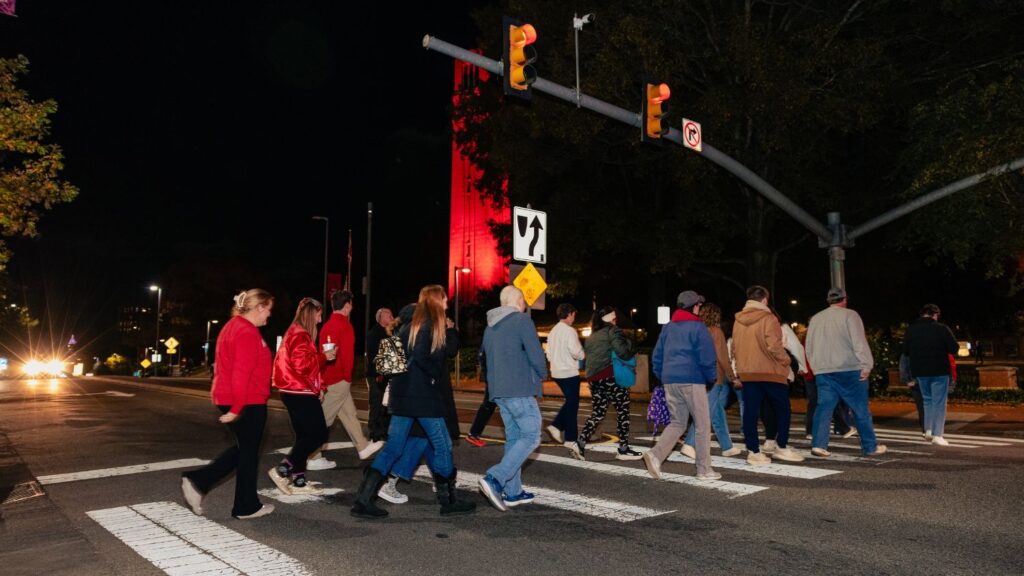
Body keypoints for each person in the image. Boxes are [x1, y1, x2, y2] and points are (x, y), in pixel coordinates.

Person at [351, 285, 475, 518]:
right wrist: (433, 375)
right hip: (424, 399)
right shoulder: (429, 325)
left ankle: (363, 499)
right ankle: (449, 501)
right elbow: (422, 355)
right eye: (445, 300)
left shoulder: (407, 326)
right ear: (437, 301)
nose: (447, 304)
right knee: (443, 445)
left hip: (402, 397)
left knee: (394, 447)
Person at [181, 289, 275, 519]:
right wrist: (236, 409)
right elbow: (240, 374)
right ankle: (240, 504)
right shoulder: (246, 332)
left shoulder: (233, 326)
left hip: (235, 398)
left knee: (246, 449)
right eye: (268, 310)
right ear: (259, 307)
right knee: (248, 451)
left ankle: (216, 490)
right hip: (246, 401)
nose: (269, 316)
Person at [477, 285, 548, 511]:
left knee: (514, 438)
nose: (525, 305)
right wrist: (542, 374)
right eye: (524, 300)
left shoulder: (490, 327)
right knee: (531, 435)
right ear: (518, 300)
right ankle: (495, 479)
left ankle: (513, 492)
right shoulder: (521, 320)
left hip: (499, 391)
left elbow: (485, 359)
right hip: (519, 388)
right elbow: (536, 353)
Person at [645, 290, 721, 481]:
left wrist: (663, 375)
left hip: (670, 380)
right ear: (695, 306)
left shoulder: (668, 327)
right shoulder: (698, 327)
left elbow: (657, 356)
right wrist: (711, 377)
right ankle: (704, 470)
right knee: (703, 425)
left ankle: (655, 454)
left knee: (678, 423)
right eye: (699, 305)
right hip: (692, 380)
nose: (700, 308)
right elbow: (707, 357)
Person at [805, 287, 886, 457]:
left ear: (828, 300)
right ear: (844, 299)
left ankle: (819, 445)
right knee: (860, 408)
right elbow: (859, 342)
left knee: (824, 407)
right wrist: (867, 365)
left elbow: (809, 346)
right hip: (849, 369)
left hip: (824, 370)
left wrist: (815, 366)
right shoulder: (850, 315)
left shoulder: (816, 319)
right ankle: (870, 447)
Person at [310, 290, 383, 470]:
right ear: (348, 305)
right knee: (323, 419)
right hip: (338, 379)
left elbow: (327, 354)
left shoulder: (328, 326)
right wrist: (347, 377)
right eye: (351, 303)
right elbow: (347, 356)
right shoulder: (344, 326)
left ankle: (363, 446)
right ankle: (311, 455)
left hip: (331, 377)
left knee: (349, 414)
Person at [268, 297, 334, 496]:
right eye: (319, 314)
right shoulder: (300, 334)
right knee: (318, 435)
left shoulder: (295, 332)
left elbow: (304, 368)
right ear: (310, 313)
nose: (320, 320)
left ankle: (299, 481)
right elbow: (302, 365)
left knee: (304, 437)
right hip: (298, 392)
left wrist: (319, 386)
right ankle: (283, 470)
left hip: (294, 391)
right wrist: (325, 357)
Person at [732, 285, 805, 464]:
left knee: (750, 411)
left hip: (748, 372)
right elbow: (774, 345)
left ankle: (754, 452)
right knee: (783, 409)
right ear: (765, 299)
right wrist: (787, 361)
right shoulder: (768, 318)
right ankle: (781, 446)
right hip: (770, 371)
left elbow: (734, 348)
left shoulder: (738, 320)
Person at [577, 306, 641, 460]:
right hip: (610, 377)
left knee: (598, 412)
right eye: (614, 318)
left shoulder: (592, 336)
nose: (616, 321)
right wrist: (631, 345)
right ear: (610, 319)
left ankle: (580, 442)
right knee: (623, 411)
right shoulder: (613, 331)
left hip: (593, 379)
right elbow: (622, 352)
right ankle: (623, 448)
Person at [680, 302, 743, 458]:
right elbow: (722, 357)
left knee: (717, 412)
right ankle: (689, 443)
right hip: (715, 378)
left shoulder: (696, 331)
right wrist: (732, 377)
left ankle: (727, 446)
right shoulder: (716, 331)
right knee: (706, 413)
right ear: (716, 316)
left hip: (698, 376)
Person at [903, 303, 958, 445]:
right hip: (939, 369)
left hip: (920, 371)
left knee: (927, 400)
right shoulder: (941, 328)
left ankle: (928, 429)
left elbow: (906, 352)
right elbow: (954, 348)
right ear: (935, 314)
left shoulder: (911, 330)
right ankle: (938, 434)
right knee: (939, 402)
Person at [545, 303, 586, 459]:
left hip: (556, 372)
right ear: (569, 314)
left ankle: (557, 426)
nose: (574, 318)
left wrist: (555, 361)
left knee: (571, 402)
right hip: (569, 372)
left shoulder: (553, 331)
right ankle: (569, 438)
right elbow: (576, 352)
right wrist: (583, 355)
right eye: (574, 315)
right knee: (572, 404)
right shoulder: (569, 331)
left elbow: (548, 353)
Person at [365, 307, 394, 442]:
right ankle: (374, 431)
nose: (391, 317)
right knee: (376, 403)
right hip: (377, 374)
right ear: (381, 318)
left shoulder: (390, 333)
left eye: (391, 315)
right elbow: (373, 355)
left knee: (385, 405)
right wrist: (379, 372)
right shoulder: (374, 333)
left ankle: (382, 430)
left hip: (387, 374)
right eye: (388, 315)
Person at [465, 349, 498, 447]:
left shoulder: (491, 336)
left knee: (489, 405)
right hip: (495, 377)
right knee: (489, 405)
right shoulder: (491, 336)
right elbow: (482, 355)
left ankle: (473, 433)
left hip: (494, 377)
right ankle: (473, 433)